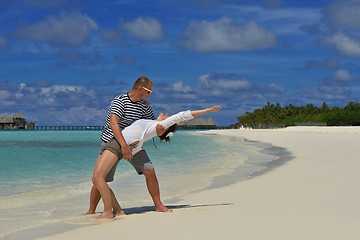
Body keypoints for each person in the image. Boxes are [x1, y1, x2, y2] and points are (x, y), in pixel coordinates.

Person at [92, 105, 222, 219]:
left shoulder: (161, 125)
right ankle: (118, 211)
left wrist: (207, 110)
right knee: (100, 178)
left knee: (98, 178)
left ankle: (108, 212)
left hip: (123, 144)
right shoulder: (152, 122)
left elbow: (181, 116)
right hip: (132, 145)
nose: (167, 114)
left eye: (168, 116)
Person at [85, 76, 167, 217]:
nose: (150, 95)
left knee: (150, 171)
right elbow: (114, 124)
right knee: (100, 178)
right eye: (149, 92)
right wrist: (123, 146)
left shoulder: (144, 106)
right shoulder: (120, 101)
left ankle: (158, 205)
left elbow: (150, 126)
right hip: (112, 142)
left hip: (134, 144)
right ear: (140, 89)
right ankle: (92, 210)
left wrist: (161, 125)